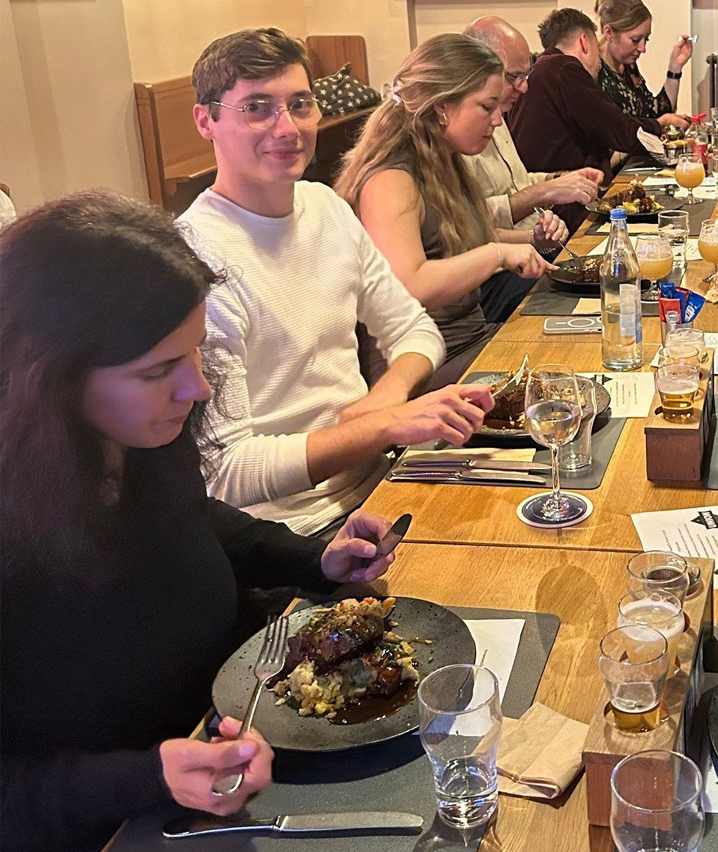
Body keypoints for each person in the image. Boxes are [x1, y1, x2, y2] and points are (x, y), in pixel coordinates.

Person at [0, 192, 401, 852]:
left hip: (220, 762)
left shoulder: (132, 439)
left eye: (193, 354)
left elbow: (196, 523)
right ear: (48, 377)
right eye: (159, 370)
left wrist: (310, 558)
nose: (198, 389)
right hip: (79, 851)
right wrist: (147, 776)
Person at [180, 28, 493, 535]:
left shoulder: (324, 205)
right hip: (294, 533)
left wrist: (388, 396)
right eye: (257, 108)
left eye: (299, 104)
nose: (287, 127)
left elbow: (415, 329)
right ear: (205, 121)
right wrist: (384, 425)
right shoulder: (196, 257)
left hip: (380, 485)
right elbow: (228, 471)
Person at [336, 34, 555, 376]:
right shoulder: (391, 178)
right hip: (424, 366)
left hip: (470, 341)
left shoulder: (443, 158)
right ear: (441, 107)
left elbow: (461, 238)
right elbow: (410, 284)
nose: (498, 120)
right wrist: (496, 255)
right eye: (486, 107)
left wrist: (532, 241)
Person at [508, 8, 667, 223]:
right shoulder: (564, 68)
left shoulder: (543, 69)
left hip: (550, 200)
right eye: (597, 48)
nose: (600, 62)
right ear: (584, 42)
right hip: (565, 210)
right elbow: (621, 131)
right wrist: (660, 126)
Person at [460, 15, 602, 243]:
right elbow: (466, 224)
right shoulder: (457, 131)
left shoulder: (498, 111)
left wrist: (559, 179)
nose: (524, 87)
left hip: (537, 242)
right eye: (515, 76)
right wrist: (544, 193)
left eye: (526, 75)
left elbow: (518, 182)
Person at [594, 0, 691, 130]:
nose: (642, 48)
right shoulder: (594, 71)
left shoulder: (629, 66)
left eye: (646, 39)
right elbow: (617, 132)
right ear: (609, 33)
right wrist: (662, 122)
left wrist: (675, 67)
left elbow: (655, 112)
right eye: (635, 40)